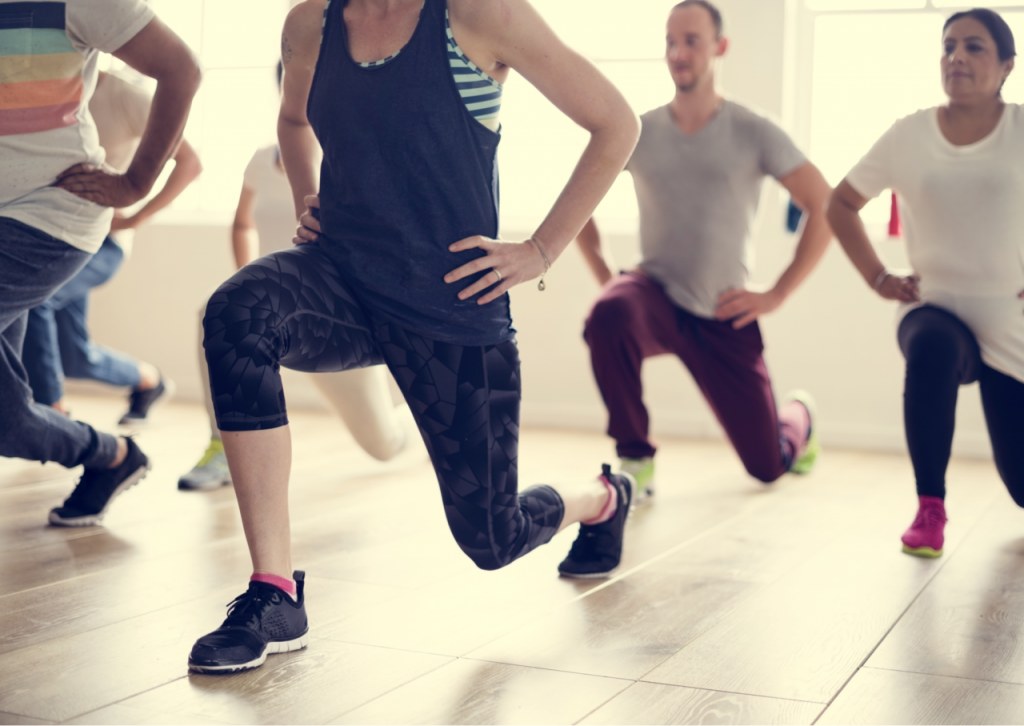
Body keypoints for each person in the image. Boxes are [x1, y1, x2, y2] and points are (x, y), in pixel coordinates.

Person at [186, 0, 640, 674]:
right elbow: (293, 119)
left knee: (493, 538)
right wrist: (309, 196)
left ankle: (602, 498)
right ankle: (275, 592)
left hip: (450, 302)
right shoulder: (311, 23)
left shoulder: (480, 16)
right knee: (236, 313)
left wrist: (541, 250)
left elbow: (617, 124)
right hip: (340, 278)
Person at [576, 0, 830, 500]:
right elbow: (579, 200)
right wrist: (607, 276)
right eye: (671, 42)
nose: (678, 53)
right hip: (654, 293)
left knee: (767, 467)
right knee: (607, 313)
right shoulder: (638, 131)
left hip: (722, 311)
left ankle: (799, 417)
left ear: (720, 47)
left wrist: (777, 293)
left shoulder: (754, 129)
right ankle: (635, 456)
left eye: (691, 41)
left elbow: (823, 205)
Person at [827, 8, 1023, 558]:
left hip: (1011, 324)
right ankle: (930, 508)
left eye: (974, 47)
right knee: (931, 348)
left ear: (1007, 65)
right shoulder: (908, 134)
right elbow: (840, 203)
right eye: (948, 46)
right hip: (933, 307)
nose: (956, 57)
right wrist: (878, 277)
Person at [0, 0, 200, 526]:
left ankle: (113, 394)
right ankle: (110, 457)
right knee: (7, 423)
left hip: (49, 216)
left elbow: (181, 68)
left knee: (70, 346)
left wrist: (135, 185)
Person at [179, 65, 417, 492]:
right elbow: (242, 224)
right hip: (276, 304)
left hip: (331, 316)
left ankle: (429, 424)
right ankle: (222, 448)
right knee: (211, 313)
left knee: (384, 445)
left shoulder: (354, 159)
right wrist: (243, 284)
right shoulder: (261, 160)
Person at [21, 70, 202, 425]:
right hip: (56, 238)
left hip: (103, 243)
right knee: (75, 357)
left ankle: (53, 416)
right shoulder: (40, 90)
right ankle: (149, 382)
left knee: (36, 298)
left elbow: (190, 163)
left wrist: (134, 218)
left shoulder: (126, 96)